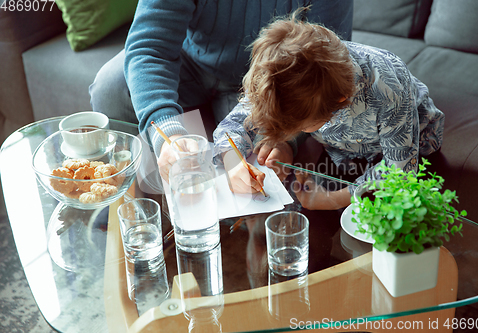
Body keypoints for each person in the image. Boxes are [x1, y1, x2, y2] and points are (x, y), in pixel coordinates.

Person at [89, 0, 354, 182]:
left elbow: (325, 70)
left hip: (271, 86)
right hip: (189, 64)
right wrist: (167, 134)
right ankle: (140, 210)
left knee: (264, 172)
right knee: (110, 88)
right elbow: (149, 46)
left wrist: (286, 138)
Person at [212, 9, 444, 211]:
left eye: (301, 126)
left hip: (415, 145)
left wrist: (331, 200)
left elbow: (400, 173)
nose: (296, 130)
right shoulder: (278, 74)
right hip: (341, 151)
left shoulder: (389, 88)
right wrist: (235, 163)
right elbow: (233, 125)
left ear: (341, 102)